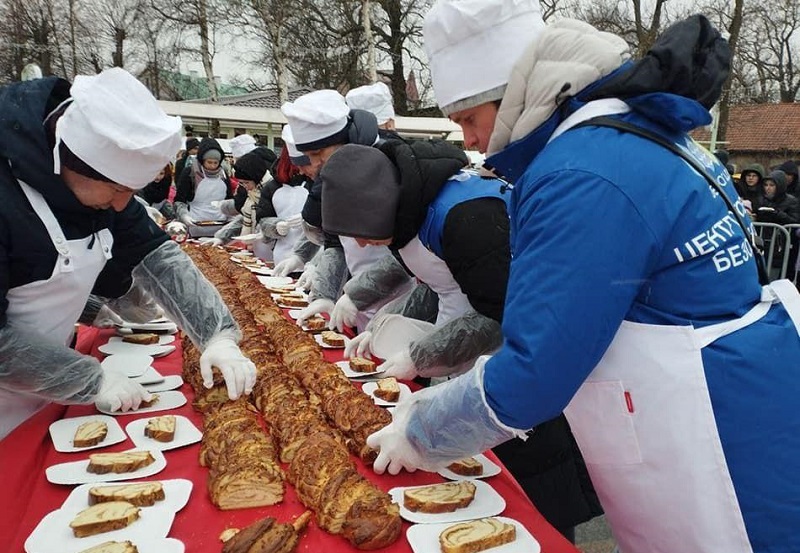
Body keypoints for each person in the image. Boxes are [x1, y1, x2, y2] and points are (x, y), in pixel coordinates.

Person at [365, 3, 800, 553]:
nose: (469, 141)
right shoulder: (624, 131)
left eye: (469, 119)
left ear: (512, 95)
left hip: (713, 433)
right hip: (739, 394)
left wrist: (423, 432)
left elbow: (536, 367)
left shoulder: (580, 169)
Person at [322, 142, 602, 540]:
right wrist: (386, 325)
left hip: (524, 365)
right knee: (471, 473)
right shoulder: (406, 211)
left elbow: (503, 312)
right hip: (468, 365)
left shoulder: (467, 216)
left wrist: (420, 355)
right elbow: (435, 280)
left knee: (534, 489)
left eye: (362, 234)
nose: (362, 245)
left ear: (378, 206)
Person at [0, 67, 256, 441]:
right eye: (118, 189)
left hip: (46, 392)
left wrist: (216, 335)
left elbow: (160, 259)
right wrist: (88, 378)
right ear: (73, 163)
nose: (123, 205)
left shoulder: (103, 198)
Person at [280, 90, 413, 331]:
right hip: (357, 302)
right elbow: (334, 241)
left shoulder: (392, 165)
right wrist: (325, 293)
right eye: (309, 156)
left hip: (405, 302)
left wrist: (358, 294)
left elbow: (410, 252)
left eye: (318, 153)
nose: (315, 164)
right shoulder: (332, 175)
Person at [174, 136, 234, 237]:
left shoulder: (223, 174)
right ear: (202, 160)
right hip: (195, 224)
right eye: (209, 162)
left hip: (220, 228)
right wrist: (184, 216)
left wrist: (232, 215)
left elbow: (229, 198)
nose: (212, 166)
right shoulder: (190, 172)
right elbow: (179, 200)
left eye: (216, 163)